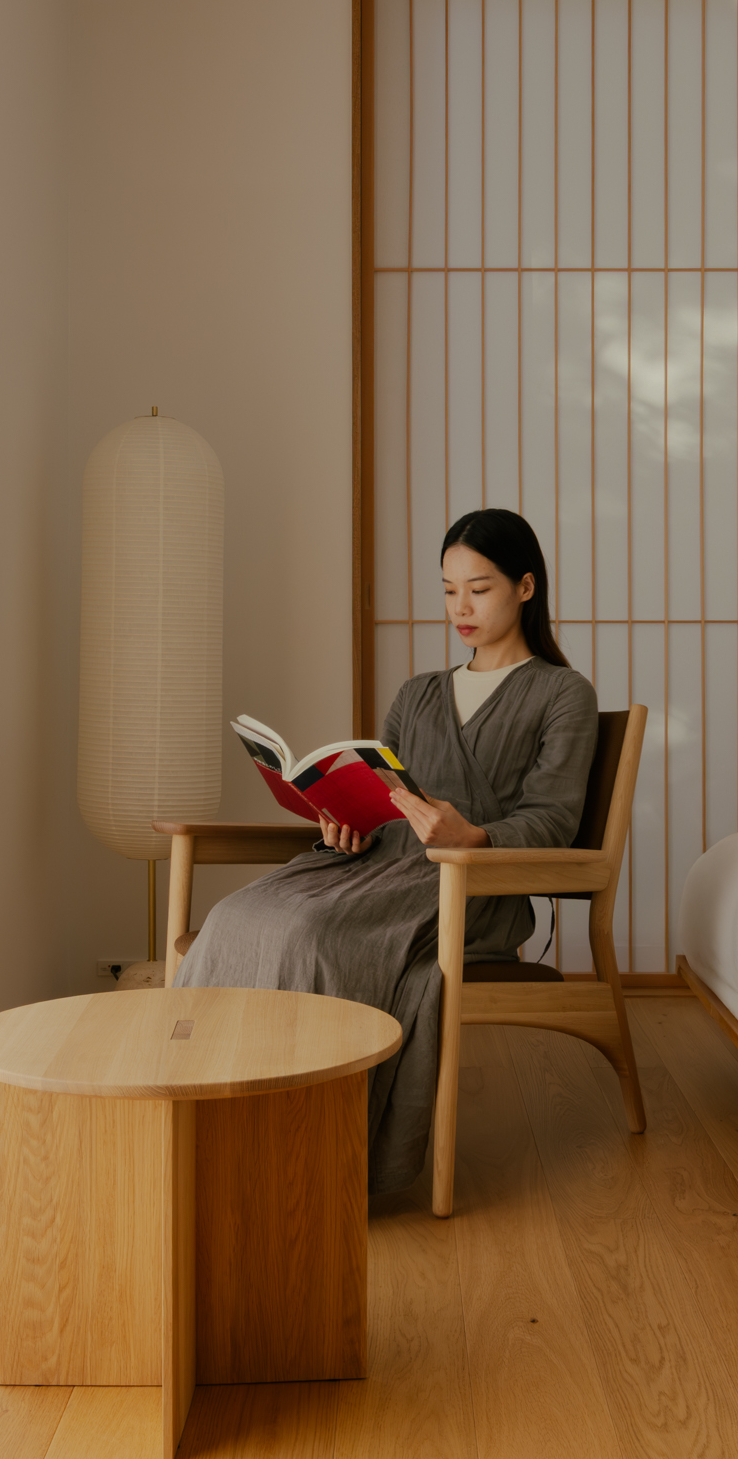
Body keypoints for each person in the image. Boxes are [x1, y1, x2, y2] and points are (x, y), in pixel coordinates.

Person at [173, 507, 599, 1196]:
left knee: (307, 930)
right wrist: (347, 823)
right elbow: (384, 794)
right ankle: (201, 1128)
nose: (460, 606)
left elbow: (555, 816)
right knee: (233, 915)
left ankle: (297, 1154)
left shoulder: (562, 694)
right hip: (373, 864)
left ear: (526, 586)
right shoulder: (417, 693)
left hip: (467, 885)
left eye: (480, 588)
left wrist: (475, 836)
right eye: (448, 588)